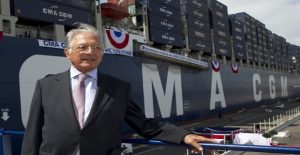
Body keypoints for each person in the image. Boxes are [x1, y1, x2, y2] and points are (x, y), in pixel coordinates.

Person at [21, 23, 217, 155]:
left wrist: (183, 135)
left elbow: (145, 124)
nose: (91, 52)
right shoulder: (45, 86)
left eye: (97, 48)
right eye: (83, 47)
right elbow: (32, 134)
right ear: (68, 53)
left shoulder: (118, 88)